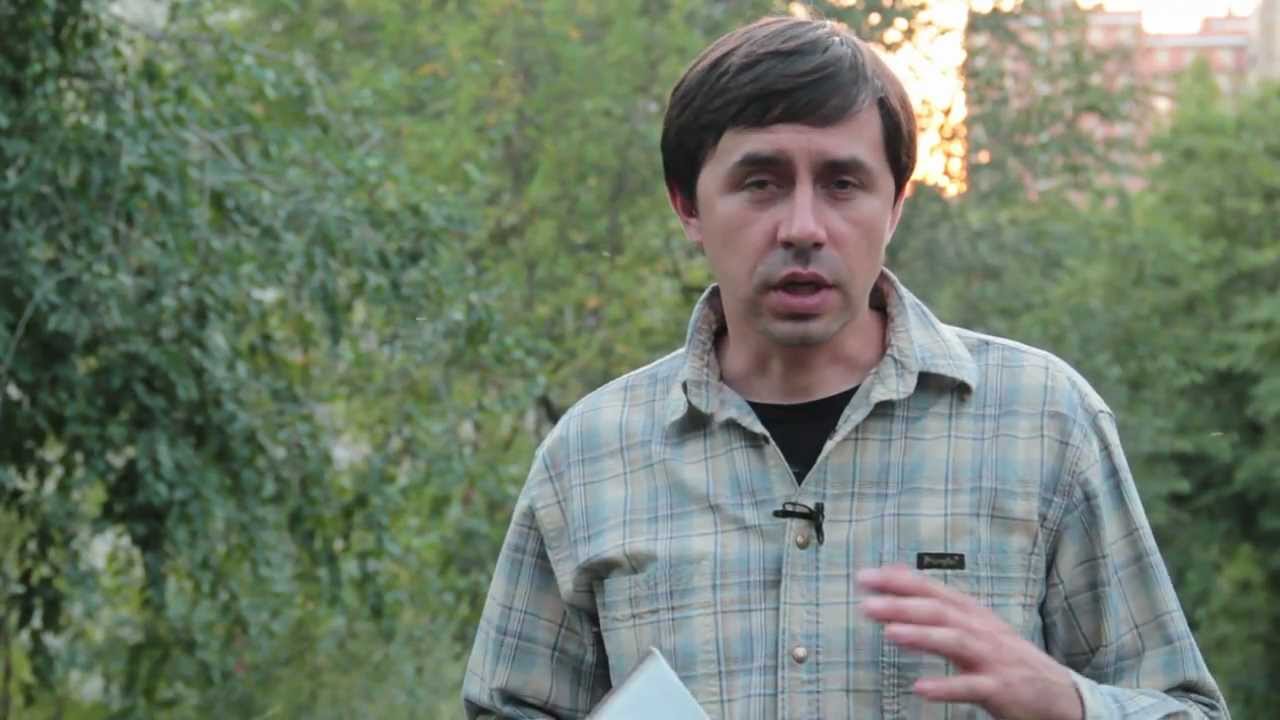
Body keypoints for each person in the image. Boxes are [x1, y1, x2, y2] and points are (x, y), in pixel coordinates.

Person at [462, 15, 1228, 720]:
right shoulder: (590, 455)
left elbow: (1187, 708)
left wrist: (1068, 703)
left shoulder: (1044, 423)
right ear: (688, 205)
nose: (803, 227)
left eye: (842, 183)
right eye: (761, 183)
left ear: (894, 204)